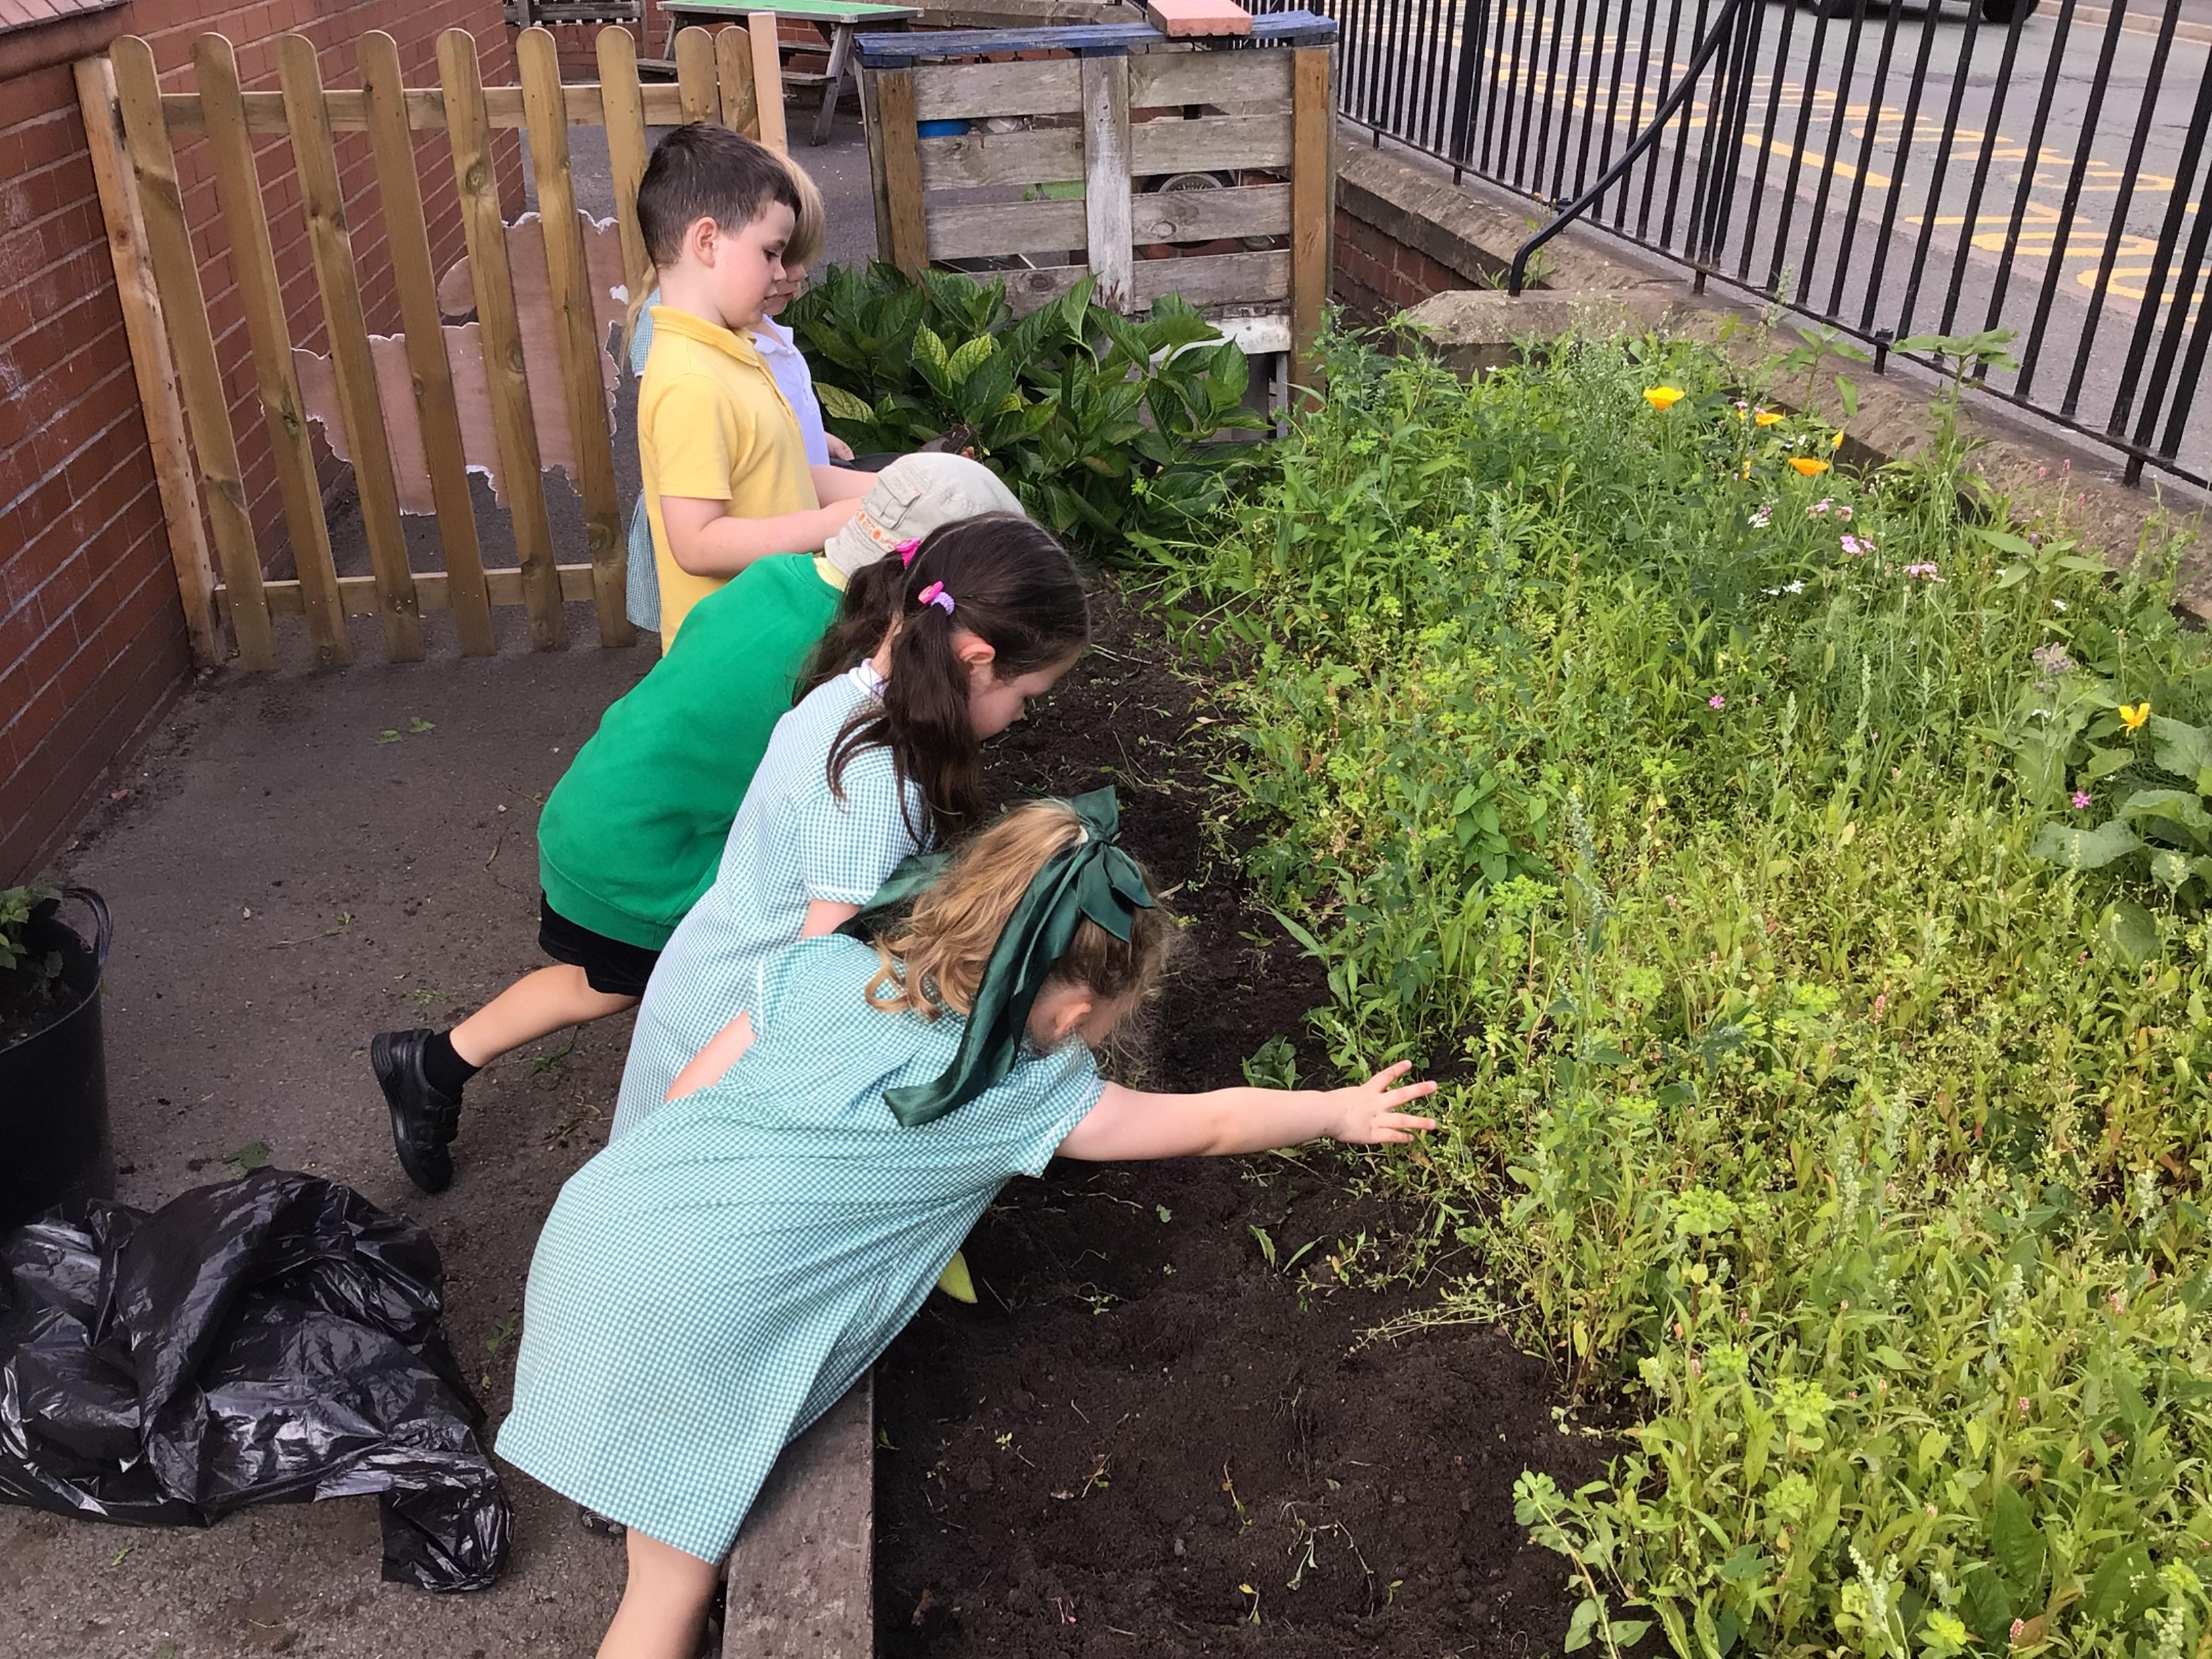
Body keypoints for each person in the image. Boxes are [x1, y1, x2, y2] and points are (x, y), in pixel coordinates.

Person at [494, 793, 1440, 1659]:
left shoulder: (825, 967)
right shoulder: (1023, 1094)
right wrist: (1337, 1111)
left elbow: (689, 1099)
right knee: (669, 1588)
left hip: (601, 1224)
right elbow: (1212, 1124)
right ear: (1073, 1014)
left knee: (658, 1472)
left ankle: (630, 1473)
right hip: (692, 1317)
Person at [370, 457, 1027, 1195]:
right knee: (617, 983)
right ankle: (433, 1064)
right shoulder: (837, 656)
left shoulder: (778, 577)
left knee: (607, 978)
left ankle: (435, 1062)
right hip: (645, 849)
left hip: (609, 798)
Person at [608, 514, 1090, 1141]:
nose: (1023, 716)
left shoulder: (853, 696)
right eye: (1027, 697)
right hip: (727, 1042)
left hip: (711, 984)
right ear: (977, 660)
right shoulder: (876, 787)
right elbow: (820, 975)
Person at [627, 123, 871, 649]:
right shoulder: (691, 379)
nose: (783, 273)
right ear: (707, 241)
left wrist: (894, 490)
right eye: (770, 253)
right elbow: (698, 543)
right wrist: (832, 523)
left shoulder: (733, 348)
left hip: (774, 634)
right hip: (735, 656)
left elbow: (780, 469)